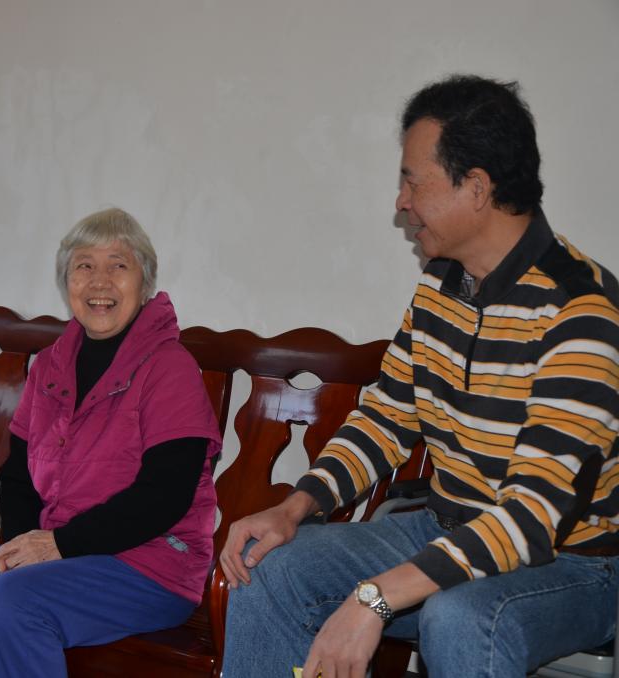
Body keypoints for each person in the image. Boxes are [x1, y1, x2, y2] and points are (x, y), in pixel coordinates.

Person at [220, 74, 619, 678]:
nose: (400, 202)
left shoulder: (580, 311)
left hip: (568, 565)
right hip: (444, 528)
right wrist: (295, 507)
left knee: (457, 616)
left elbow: (532, 518)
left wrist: (375, 597)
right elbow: (387, 418)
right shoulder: (440, 284)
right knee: (269, 565)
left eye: (413, 180)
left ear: (476, 187)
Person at [0, 207, 222, 677]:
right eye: (84, 265)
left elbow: (165, 496)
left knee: (12, 601)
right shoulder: (50, 365)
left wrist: (58, 546)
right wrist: (24, 545)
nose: (99, 281)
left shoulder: (170, 368)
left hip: (152, 564)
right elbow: (19, 476)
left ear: (144, 283)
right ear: (67, 282)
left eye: (118, 265)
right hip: (66, 551)